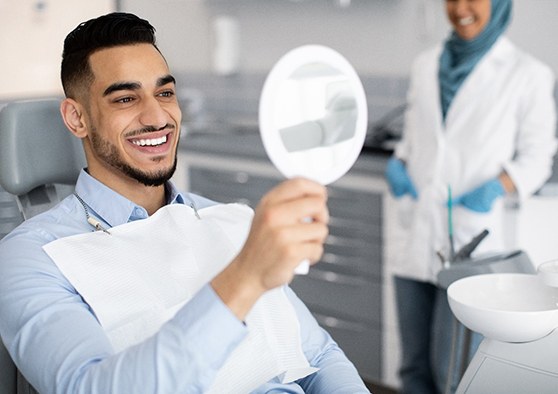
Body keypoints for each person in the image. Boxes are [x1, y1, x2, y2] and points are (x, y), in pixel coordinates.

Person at [0, 12, 370, 394]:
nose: (157, 116)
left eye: (165, 93)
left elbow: (319, 357)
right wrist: (244, 277)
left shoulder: (231, 221)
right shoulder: (31, 258)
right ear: (77, 118)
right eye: (126, 98)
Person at [385, 0, 557, 393]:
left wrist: (500, 183)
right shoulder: (425, 65)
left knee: (454, 372)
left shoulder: (528, 74)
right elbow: (414, 142)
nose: (460, 8)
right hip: (417, 233)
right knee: (412, 369)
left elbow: (537, 158)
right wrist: (399, 163)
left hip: (474, 244)